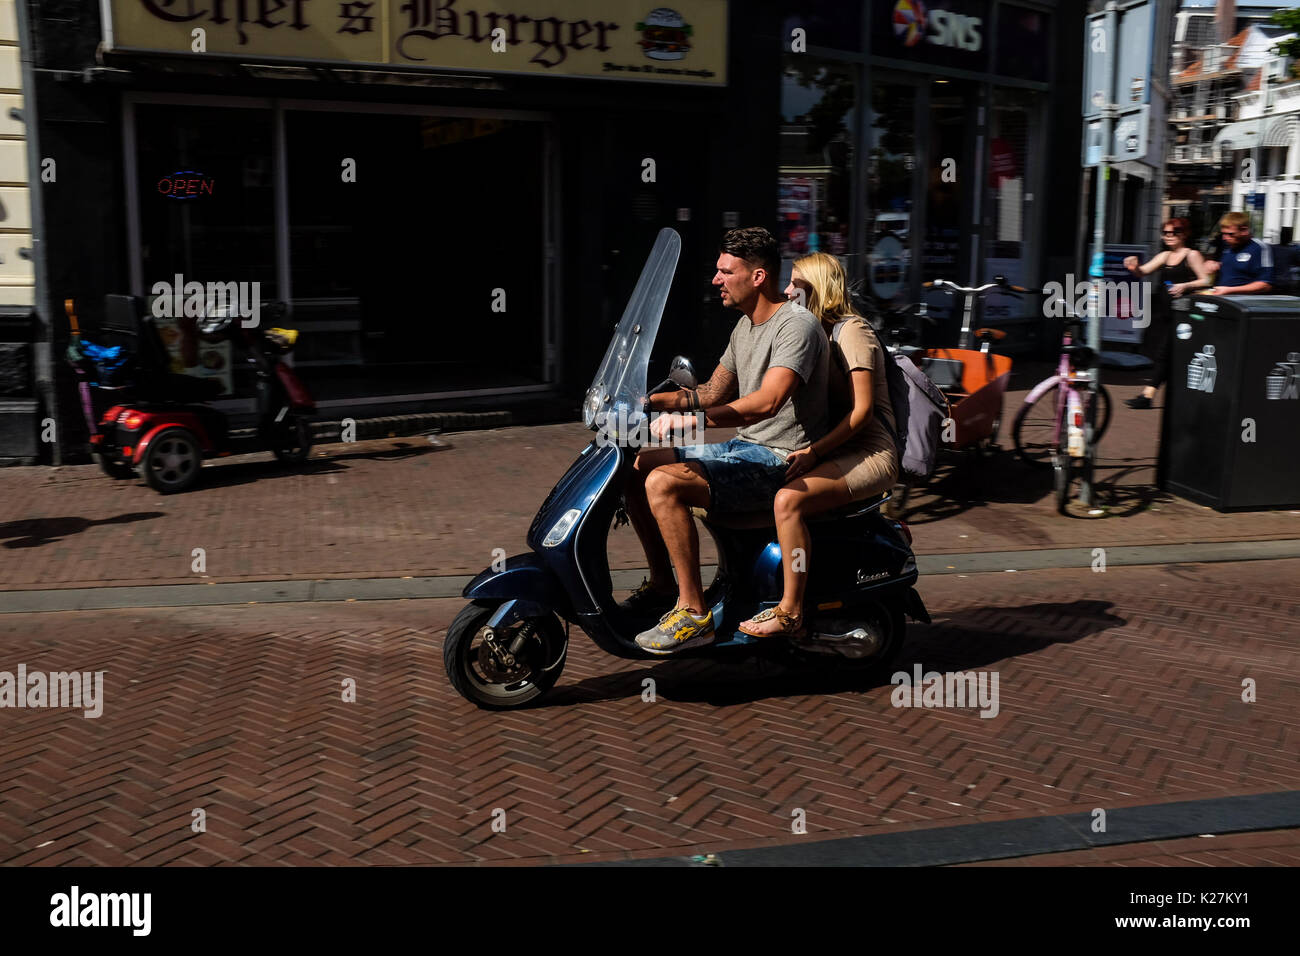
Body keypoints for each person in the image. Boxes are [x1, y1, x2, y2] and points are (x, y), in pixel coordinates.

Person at [620, 226, 830, 655]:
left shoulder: (796, 327)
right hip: (743, 446)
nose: (716, 280)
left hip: (778, 459)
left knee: (664, 483)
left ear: (757, 277)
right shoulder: (744, 327)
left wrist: (689, 422)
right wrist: (646, 400)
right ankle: (663, 584)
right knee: (638, 465)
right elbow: (711, 393)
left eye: (725, 271)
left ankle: (693, 613)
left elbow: (768, 402)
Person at [737, 253, 900, 638]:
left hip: (870, 451)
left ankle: (791, 611)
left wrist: (816, 452)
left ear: (818, 287)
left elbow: (861, 413)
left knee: (788, 500)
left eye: (797, 283)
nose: (789, 290)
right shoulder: (815, 331)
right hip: (837, 446)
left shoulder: (852, 331)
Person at [1121, 218, 1214, 409]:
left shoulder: (1191, 255)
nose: (1169, 237)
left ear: (1184, 234)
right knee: (1167, 354)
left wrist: (1185, 285)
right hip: (1164, 313)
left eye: (1174, 233)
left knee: (1165, 353)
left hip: (1183, 315)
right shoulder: (1164, 256)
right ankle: (1183, 396)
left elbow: (1205, 280)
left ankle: (1147, 396)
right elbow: (1143, 271)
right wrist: (1133, 267)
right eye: (1166, 233)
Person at [1206, 211, 1273, 296]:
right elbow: (1232, 271)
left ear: (1244, 230)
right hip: (1223, 300)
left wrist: (1230, 290)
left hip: (1244, 303)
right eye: (1223, 233)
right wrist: (1213, 266)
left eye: (1230, 234)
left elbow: (1265, 285)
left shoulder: (1259, 248)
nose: (1225, 238)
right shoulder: (1227, 247)